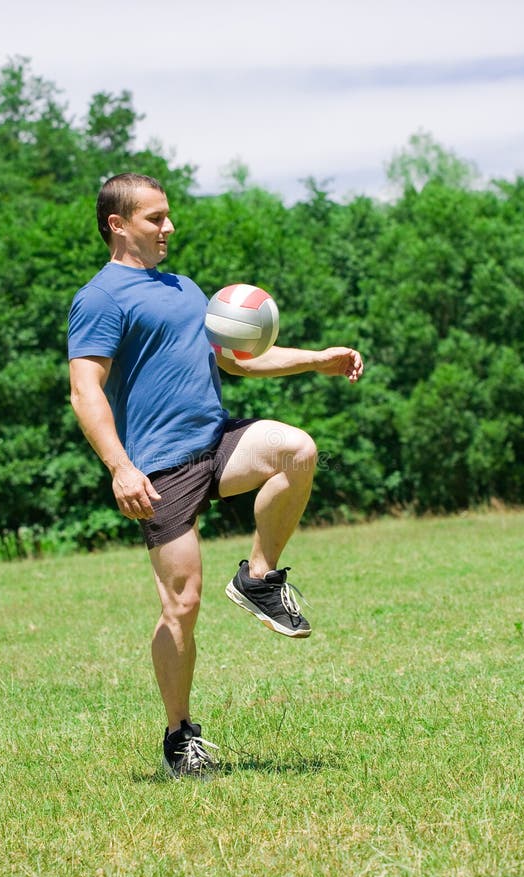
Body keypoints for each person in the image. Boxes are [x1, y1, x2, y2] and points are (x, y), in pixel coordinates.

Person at [68, 173, 364, 780]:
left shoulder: (184, 288)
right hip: (158, 467)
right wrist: (120, 468)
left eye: (168, 215)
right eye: (154, 219)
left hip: (218, 439)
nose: (169, 227)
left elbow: (234, 357)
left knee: (297, 450)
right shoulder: (100, 298)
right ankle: (180, 736)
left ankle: (258, 576)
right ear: (117, 225)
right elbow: (85, 390)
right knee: (183, 603)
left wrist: (318, 360)